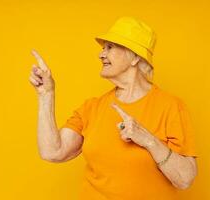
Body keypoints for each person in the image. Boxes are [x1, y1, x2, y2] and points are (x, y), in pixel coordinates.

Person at [29, 16, 198, 200]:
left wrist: (148, 140)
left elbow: (185, 179)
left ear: (134, 57)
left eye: (109, 47)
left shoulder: (171, 106)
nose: (101, 55)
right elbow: (52, 151)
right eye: (103, 48)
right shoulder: (92, 108)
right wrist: (46, 95)